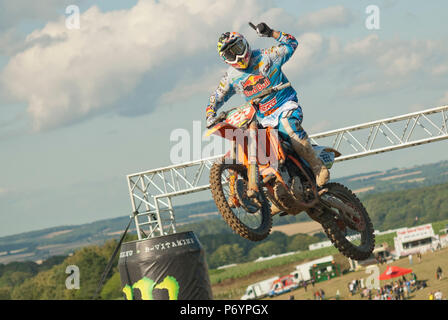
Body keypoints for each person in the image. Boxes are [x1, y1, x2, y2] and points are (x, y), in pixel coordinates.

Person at [205, 23, 330, 187]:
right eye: (231, 54)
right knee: (246, 142)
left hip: (286, 106)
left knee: (288, 126)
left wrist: (271, 32)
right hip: (262, 119)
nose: (237, 56)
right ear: (225, 59)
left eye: (238, 48)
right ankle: (273, 193)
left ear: (245, 44)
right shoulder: (231, 77)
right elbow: (216, 97)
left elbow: (292, 43)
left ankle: (317, 167)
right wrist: (210, 114)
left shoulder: (268, 56)